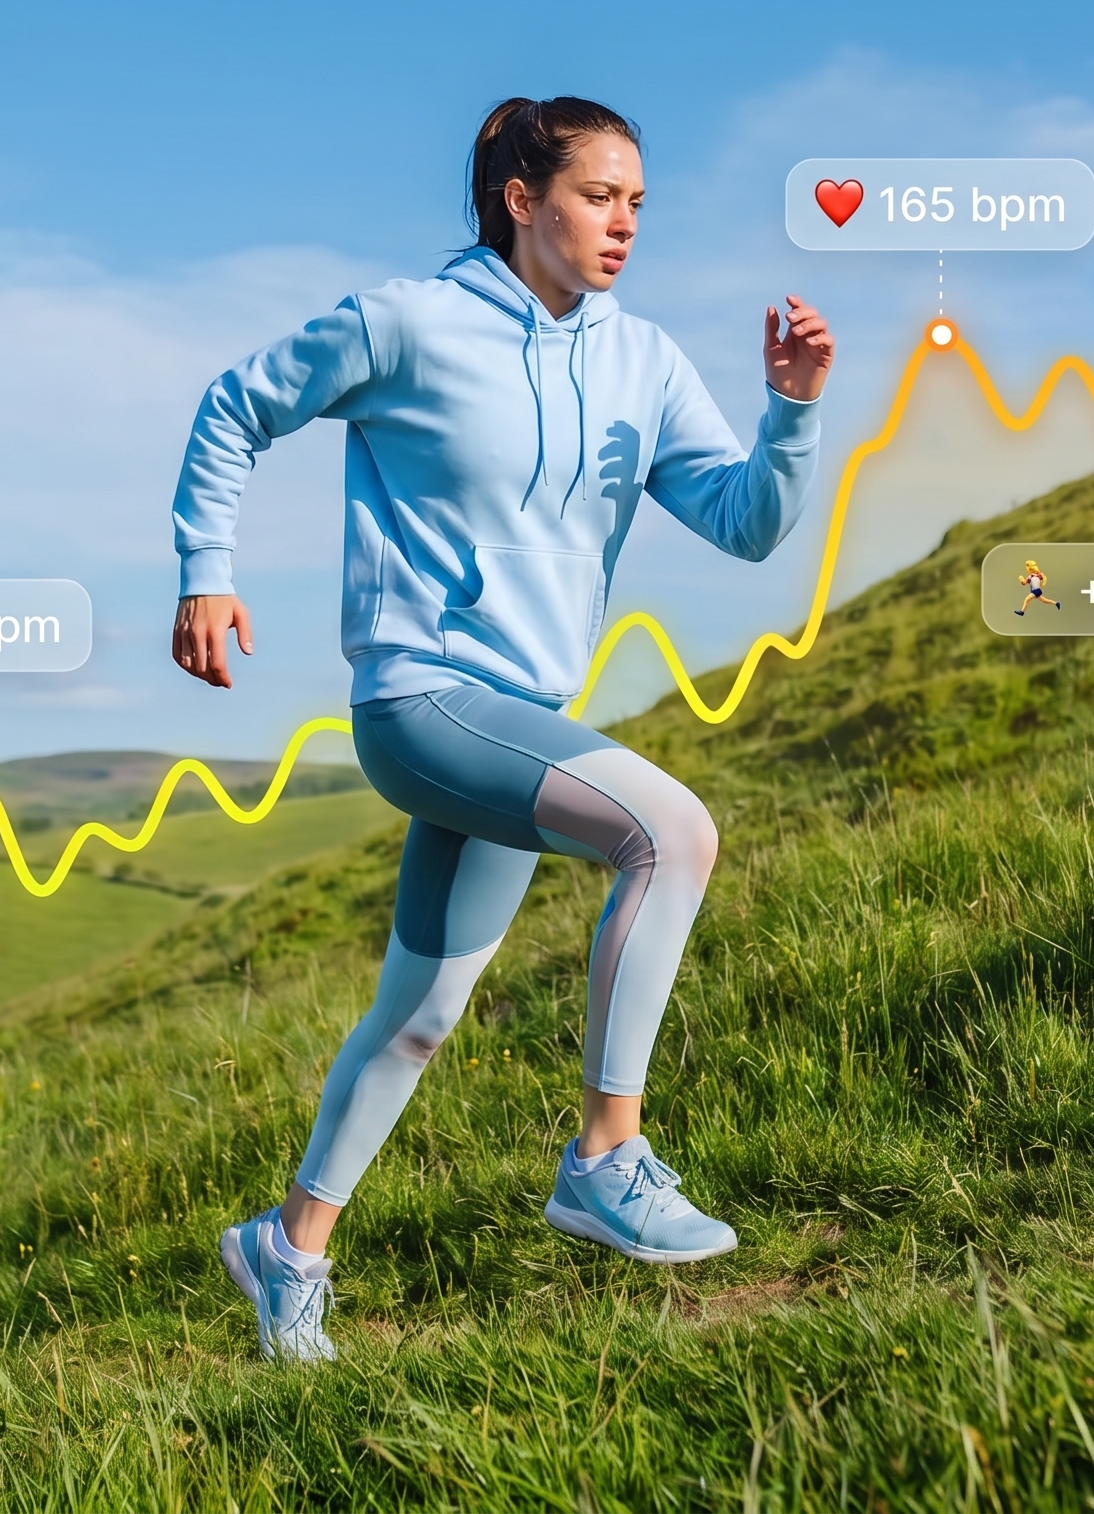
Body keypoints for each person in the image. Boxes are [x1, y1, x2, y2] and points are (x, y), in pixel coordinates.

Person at [168, 95, 834, 1362]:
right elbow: (233, 407)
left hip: (521, 719)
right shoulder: (406, 323)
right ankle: (606, 1154)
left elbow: (744, 520)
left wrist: (790, 411)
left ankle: (287, 1248)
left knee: (420, 1013)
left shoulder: (642, 359)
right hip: (419, 700)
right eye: (599, 195)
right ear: (522, 200)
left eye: (639, 200)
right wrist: (207, 567)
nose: (625, 222)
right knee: (672, 836)